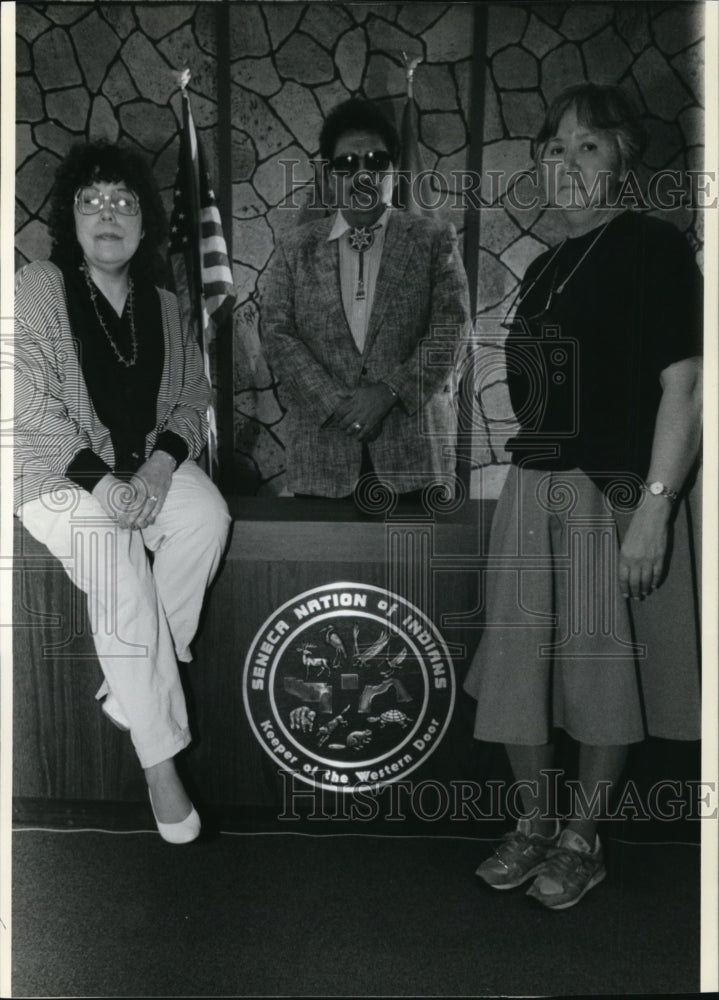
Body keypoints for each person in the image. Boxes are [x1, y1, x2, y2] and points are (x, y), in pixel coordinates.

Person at [464, 83, 702, 908]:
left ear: (623, 160)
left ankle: (580, 838)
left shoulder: (653, 248)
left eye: (588, 146)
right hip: (533, 490)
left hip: (612, 497)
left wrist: (657, 509)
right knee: (516, 672)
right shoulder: (542, 265)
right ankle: (533, 822)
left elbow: (687, 388)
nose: (566, 163)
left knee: (605, 675)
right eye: (554, 148)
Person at [14, 141, 231, 844]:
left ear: (143, 222)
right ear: (69, 218)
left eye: (123, 202)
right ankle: (160, 761)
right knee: (108, 544)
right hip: (54, 475)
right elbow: (26, 404)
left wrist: (161, 471)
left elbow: (193, 395)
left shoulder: (164, 304)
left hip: (141, 472)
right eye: (91, 201)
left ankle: (126, 691)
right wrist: (103, 485)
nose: (108, 214)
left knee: (206, 513)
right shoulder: (38, 285)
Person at [262, 98, 471, 503]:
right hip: (322, 459)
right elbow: (276, 332)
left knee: (412, 568)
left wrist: (388, 393)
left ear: (393, 172)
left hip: (412, 460)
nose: (362, 174)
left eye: (376, 161)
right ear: (328, 175)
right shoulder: (294, 247)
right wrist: (337, 404)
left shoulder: (433, 239)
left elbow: (452, 328)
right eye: (347, 163)